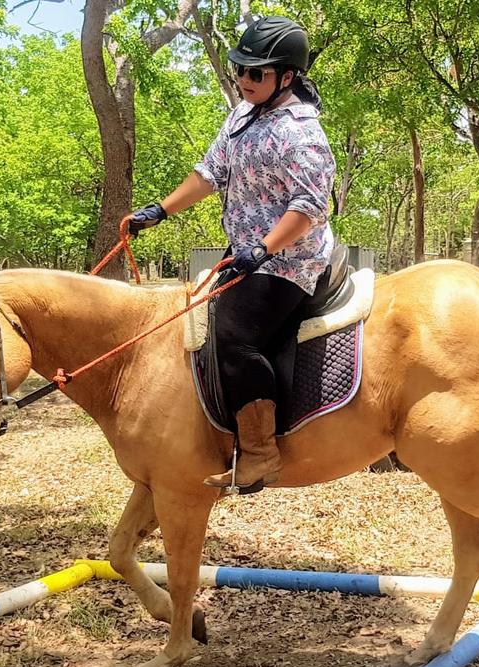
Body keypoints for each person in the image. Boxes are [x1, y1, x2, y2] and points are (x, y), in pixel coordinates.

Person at [123, 15, 336, 490]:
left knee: (234, 334)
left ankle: (260, 454)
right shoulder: (242, 116)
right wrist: (162, 209)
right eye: (241, 69)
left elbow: (309, 207)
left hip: (290, 261)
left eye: (255, 74)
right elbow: (210, 172)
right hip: (247, 252)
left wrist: (263, 249)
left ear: (287, 77)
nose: (244, 80)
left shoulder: (302, 133)